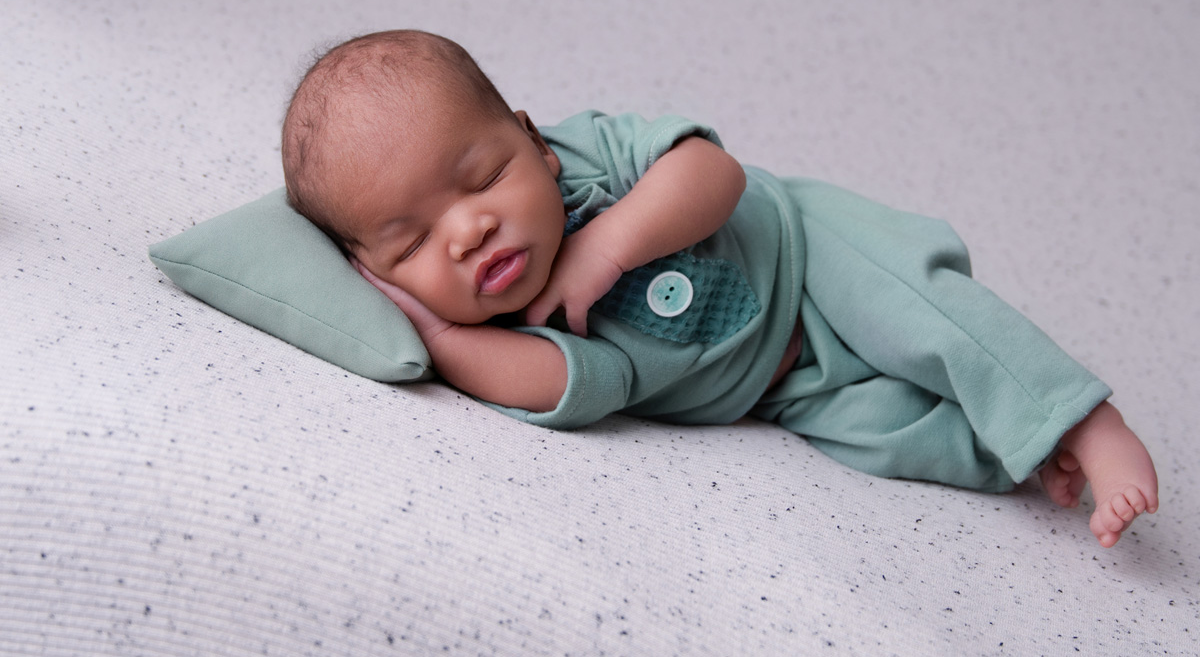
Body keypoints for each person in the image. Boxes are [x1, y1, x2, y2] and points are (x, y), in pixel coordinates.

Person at [281, 29, 1158, 548]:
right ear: (379, 277)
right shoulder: (499, 331)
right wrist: (442, 342)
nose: (468, 230)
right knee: (898, 440)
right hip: (779, 391)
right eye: (414, 244)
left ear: (533, 141)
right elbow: (581, 386)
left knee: (931, 321)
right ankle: (1030, 450)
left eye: (482, 177)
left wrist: (611, 243)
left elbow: (713, 171)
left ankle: (1080, 417)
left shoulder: (588, 155)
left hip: (806, 252)